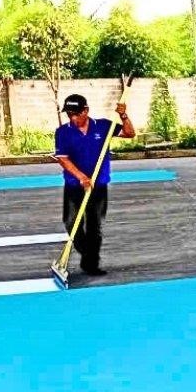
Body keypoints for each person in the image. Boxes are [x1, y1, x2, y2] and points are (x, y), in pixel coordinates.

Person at [53, 93, 135, 276]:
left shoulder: (104, 126)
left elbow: (130, 133)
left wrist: (123, 115)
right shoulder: (63, 132)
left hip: (98, 185)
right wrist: (81, 177)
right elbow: (63, 158)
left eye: (76, 114)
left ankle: (91, 265)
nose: (73, 118)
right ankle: (87, 253)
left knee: (94, 226)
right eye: (69, 114)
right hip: (74, 185)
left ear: (86, 111)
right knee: (70, 222)